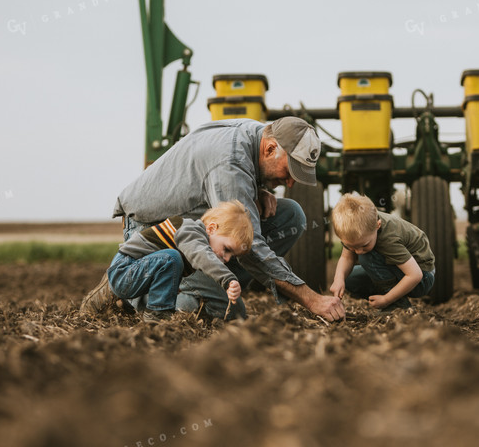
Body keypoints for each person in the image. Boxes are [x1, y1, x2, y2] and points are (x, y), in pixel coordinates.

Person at [80, 117, 345, 322]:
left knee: (292, 215)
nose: (289, 182)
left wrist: (257, 189)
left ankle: (215, 287)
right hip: (151, 231)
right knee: (208, 310)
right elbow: (252, 247)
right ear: (270, 148)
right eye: (289, 171)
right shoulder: (230, 163)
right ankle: (133, 293)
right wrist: (311, 299)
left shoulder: (257, 133)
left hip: (193, 225)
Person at [101, 201, 253, 323]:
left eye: (231, 255)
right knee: (172, 257)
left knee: (174, 272)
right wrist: (227, 278)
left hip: (137, 275)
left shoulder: (195, 238)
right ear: (212, 229)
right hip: (124, 270)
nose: (226, 258)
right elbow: (200, 254)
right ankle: (156, 314)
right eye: (227, 249)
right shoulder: (190, 230)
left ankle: (133, 304)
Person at [329, 192, 435, 310]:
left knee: (367, 257)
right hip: (402, 271)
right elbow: (347, 257)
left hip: (422, 277)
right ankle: (391, 296)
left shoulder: (389, 238)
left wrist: (387, 299)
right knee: (349, 278)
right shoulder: (358, 228)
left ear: (378, 225)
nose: (358, 251)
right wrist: (338, 279)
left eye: (364, 245)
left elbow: (415, 275)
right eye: (352, 247)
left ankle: (396, 305)